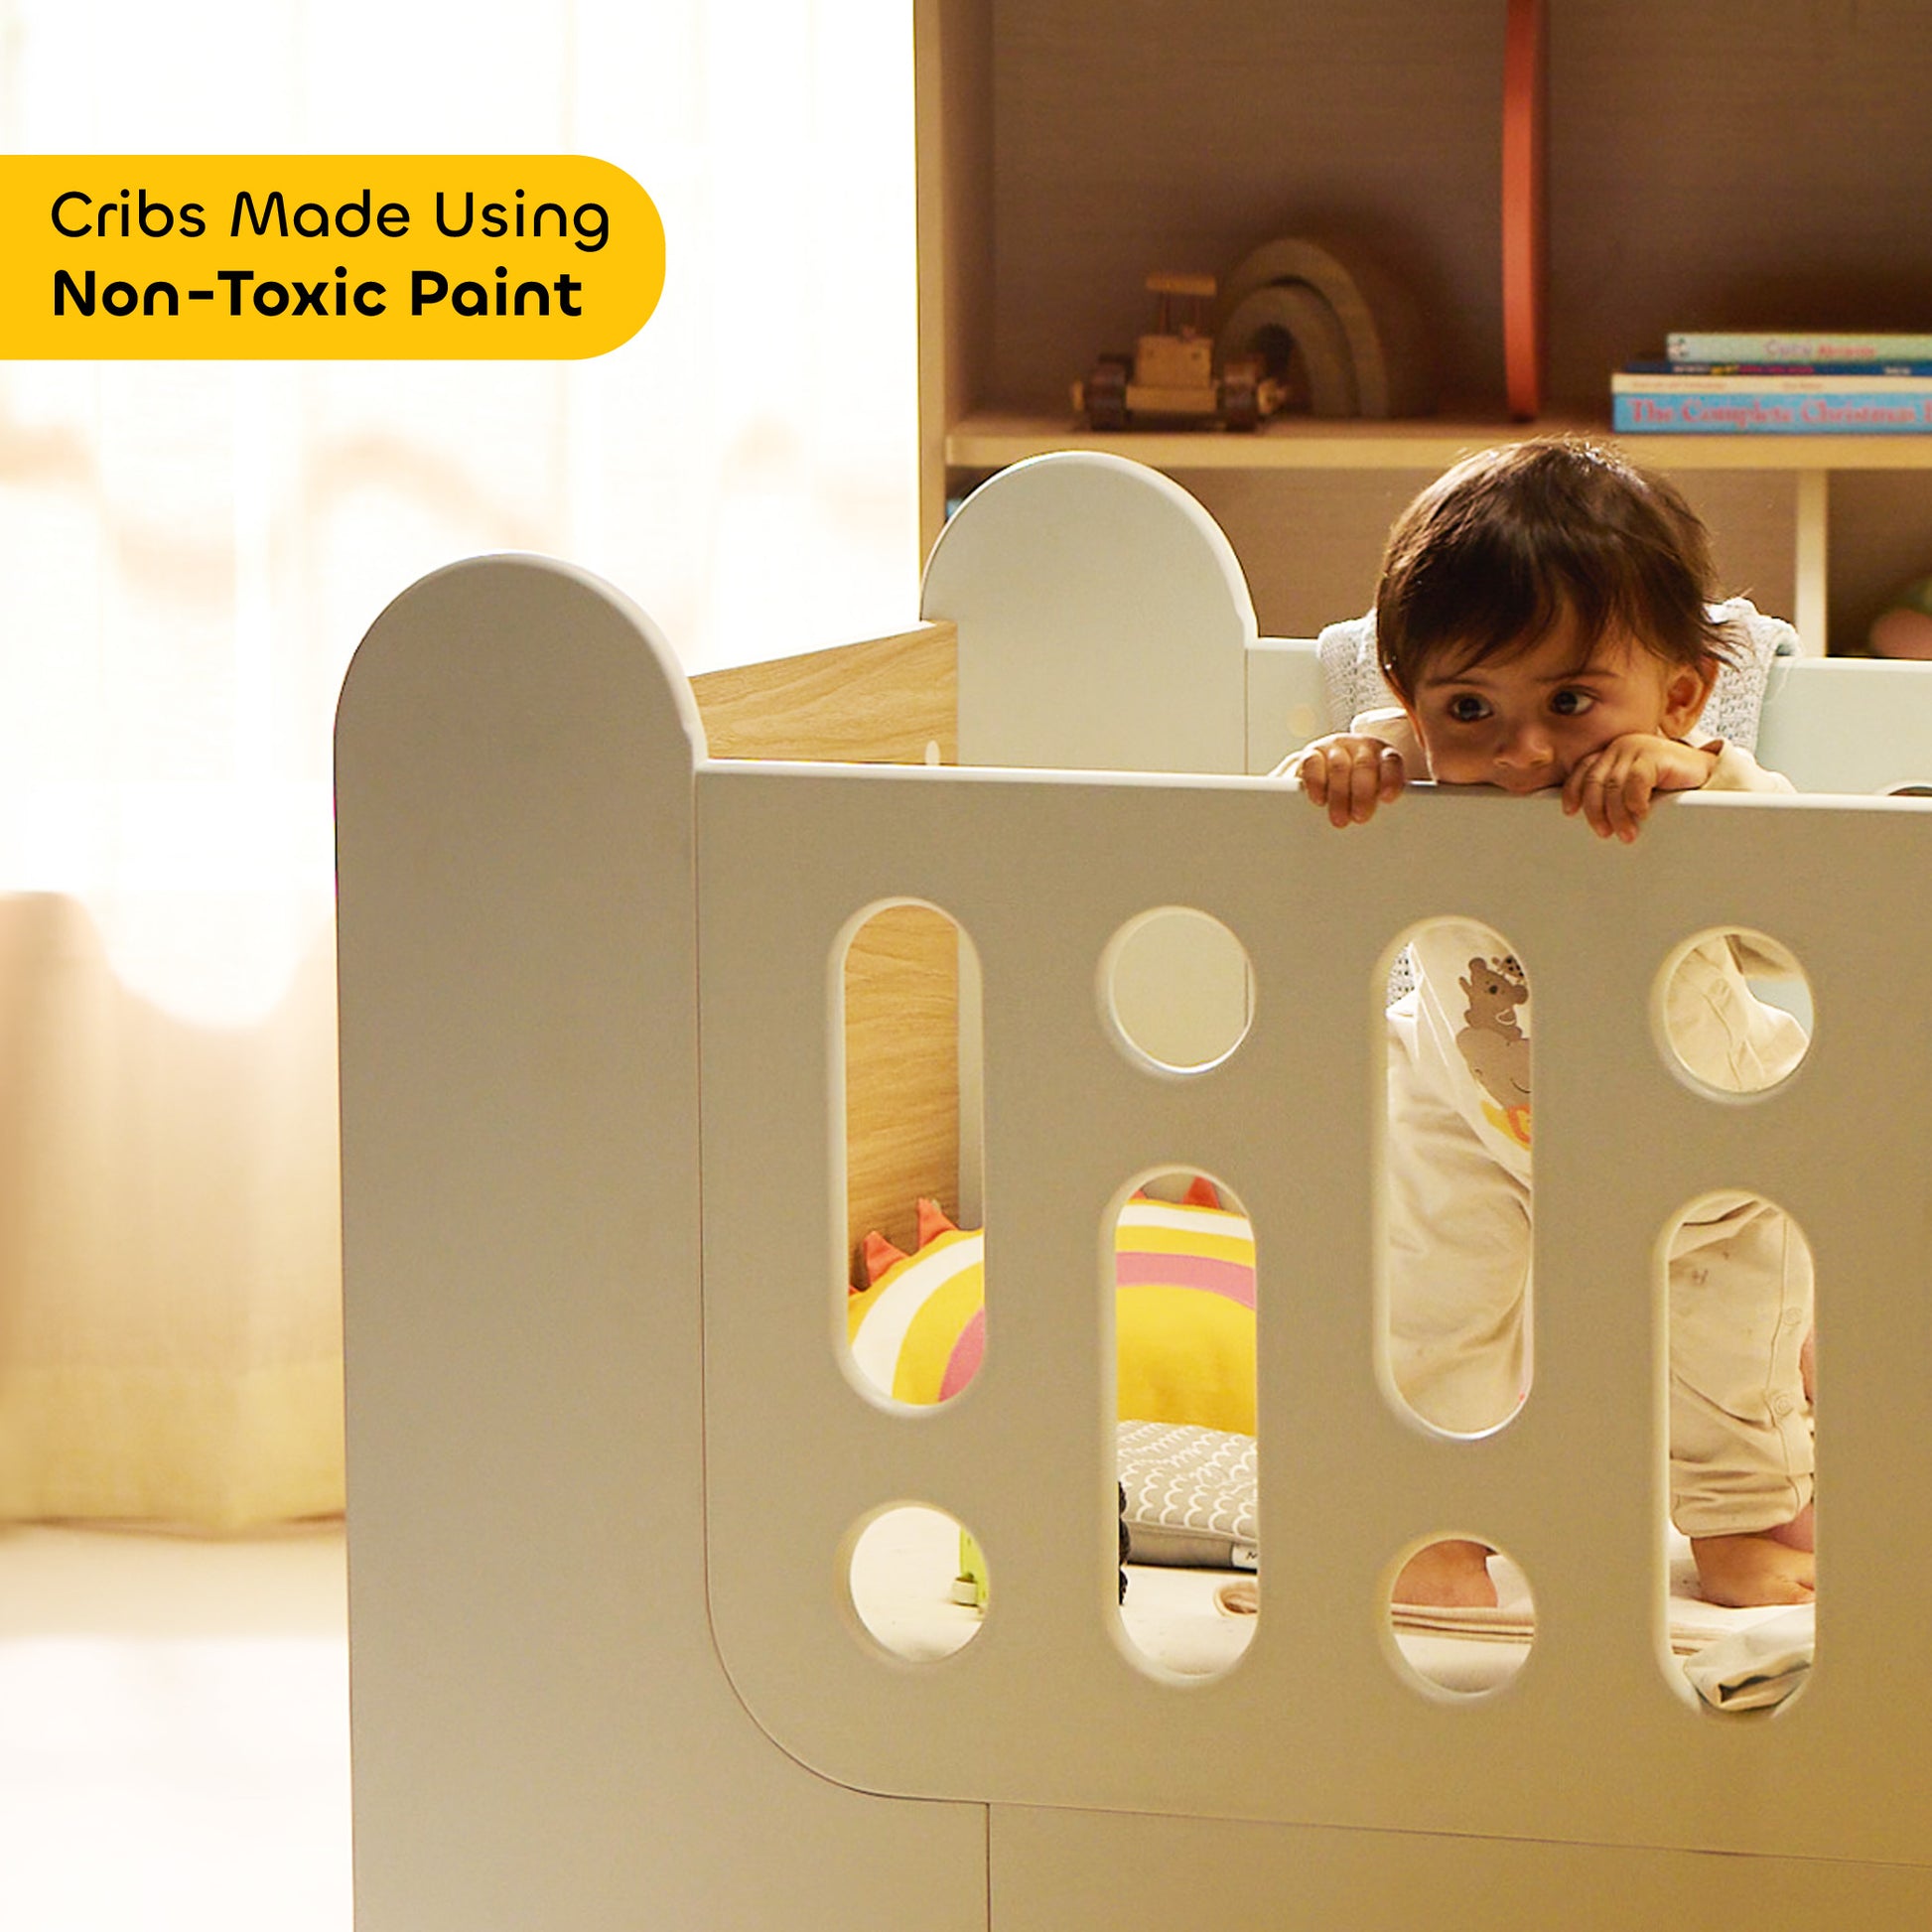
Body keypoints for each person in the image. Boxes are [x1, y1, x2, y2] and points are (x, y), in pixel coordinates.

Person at [1283, 437, 1815, 1611]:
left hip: (1709, 1149)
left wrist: (1700, 785)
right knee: (1427, 1319)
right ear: (1407, 692)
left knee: (1724, 1354)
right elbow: (1286, 861)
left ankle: (1748, 1517)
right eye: (1467, 705)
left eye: (1569, 700)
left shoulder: (1694, 788)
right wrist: (1344, 766)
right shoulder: (1406, 776)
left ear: (1679, 695)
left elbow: (1801, 922)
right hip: (1478, 1133)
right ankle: (1436, 1524)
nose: (1518, 752)